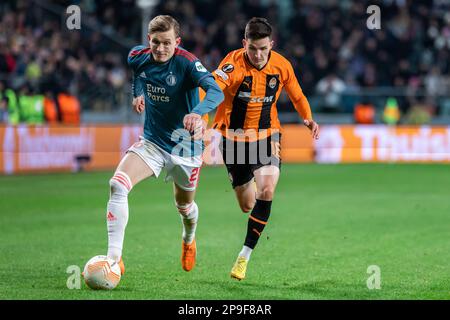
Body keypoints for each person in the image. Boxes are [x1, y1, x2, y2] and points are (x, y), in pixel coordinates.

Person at [104, 15, 224, 276]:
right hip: (152, 142)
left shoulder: (188, 63)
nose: (160, 49)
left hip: (186, 147)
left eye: (167, 43)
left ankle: (189, 239)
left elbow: (216, 91)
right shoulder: (138, 55)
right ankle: (113, 260)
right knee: (117, 185)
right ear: (149, 40)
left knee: (184, 207)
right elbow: (137, 73)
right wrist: (137, 92)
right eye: (156, 42)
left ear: (177, 42)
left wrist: (198, 112)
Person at [205, 17, 319, 280]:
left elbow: (297, 94)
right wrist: (198, 114)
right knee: (247, 205)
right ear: (244, 43)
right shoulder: (232, 64)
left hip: (267, 136)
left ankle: (243, 256)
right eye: (253, 48)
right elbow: (210, 90)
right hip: (233, 138)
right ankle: (255, 191)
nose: (258, 55)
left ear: (272, 45)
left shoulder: (281, 66)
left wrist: (307, 116)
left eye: (263, 49)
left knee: (267, 189)